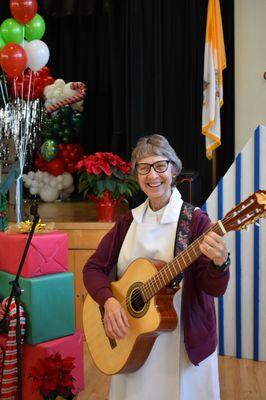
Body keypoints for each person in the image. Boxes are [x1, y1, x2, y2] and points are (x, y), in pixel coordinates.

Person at [83, 134, 230, 400]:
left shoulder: (195, 222)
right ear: (137, 174)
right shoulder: (128, 222)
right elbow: (92, 268)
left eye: (160, 166)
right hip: (130, 337)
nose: (153, 175)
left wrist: (220, 263)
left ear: (173, 169)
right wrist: (109, 302)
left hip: (181, 345)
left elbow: (214, 288)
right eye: (144, 167)